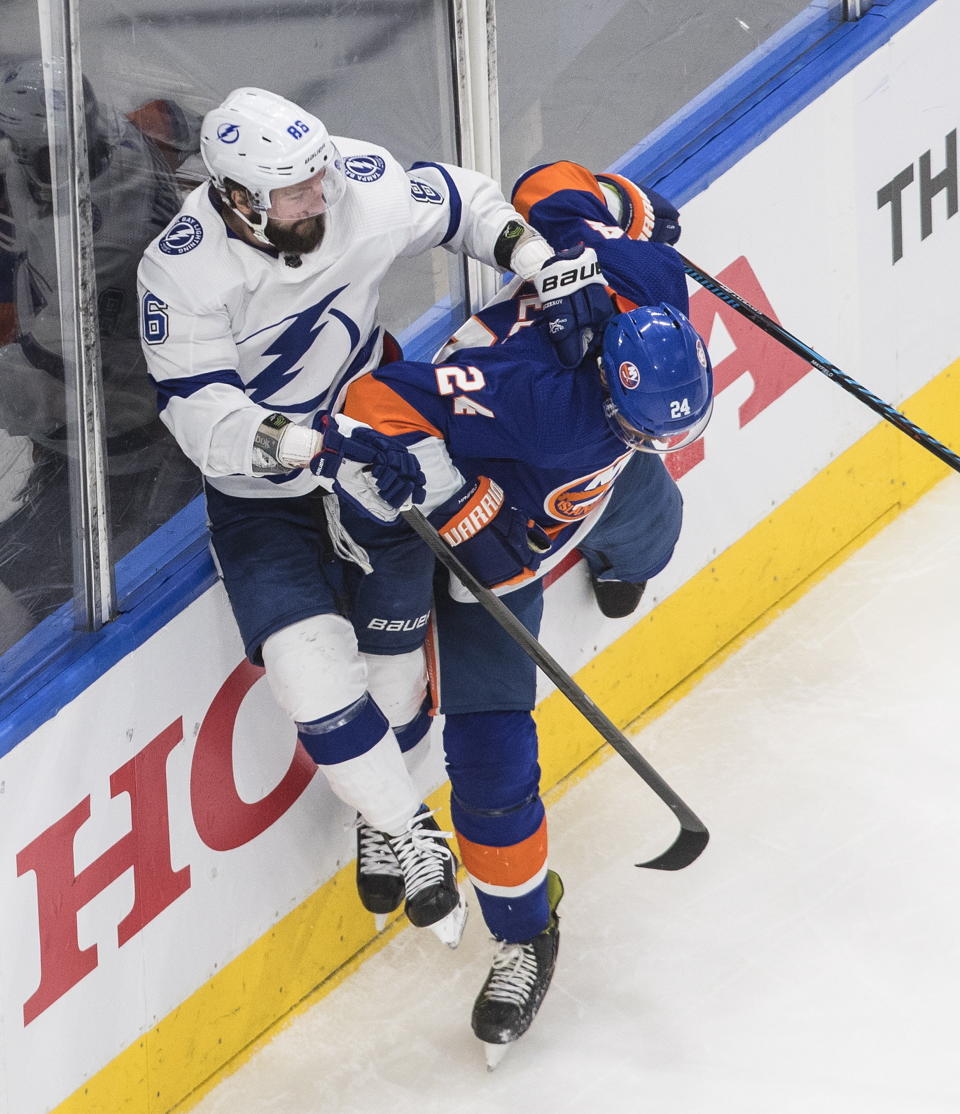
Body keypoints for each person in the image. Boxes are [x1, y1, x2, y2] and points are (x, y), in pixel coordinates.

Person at [136, 88, 610, 945]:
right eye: (293, 192)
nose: (319, 196)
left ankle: (376, 813)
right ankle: (405, 826)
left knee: (394, 673)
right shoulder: (181, 270)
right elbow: (200, 417)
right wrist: (319, 440)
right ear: (240, 200)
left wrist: (543, 260)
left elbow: (463, 204)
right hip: (267, 492)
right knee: (307, 671)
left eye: (316, 176)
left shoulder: (353, 183)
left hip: (382, 446)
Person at [337, 162, 712, 1058]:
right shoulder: (532, 401)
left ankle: (623, 553)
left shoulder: (652, 282)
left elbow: (553, 182)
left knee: (647, 508)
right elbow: (374, 402)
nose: (652, 435)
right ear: (612, 387)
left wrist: (620, 213)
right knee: (483, 746)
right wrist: (458, 503)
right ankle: (515, 919)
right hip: (495, 537)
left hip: (573, 493)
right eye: (641, 423)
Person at [0, 59, 202, 650]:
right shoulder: (117, 135)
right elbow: (174, 120)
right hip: (118, 415)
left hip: (123, 454)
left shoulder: (100, 252)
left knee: (31, 598)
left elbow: (28, 396)